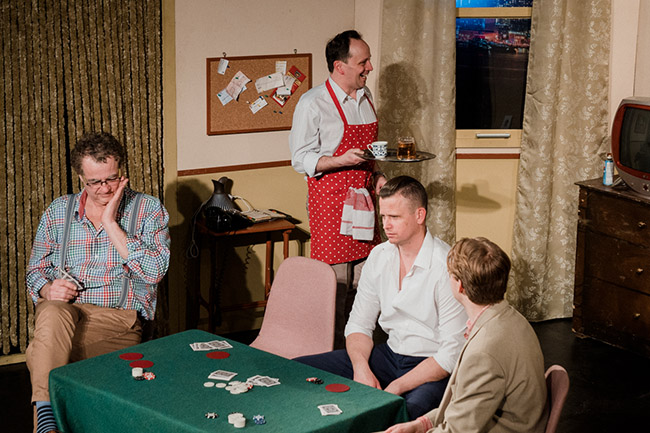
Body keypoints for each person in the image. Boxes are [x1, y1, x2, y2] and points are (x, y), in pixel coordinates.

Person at [25, 132, 171, 433]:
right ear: (81, 178)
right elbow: (35, 270)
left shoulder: (148, 209)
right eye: (95, 182)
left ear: (122, 173)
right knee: (50, 309)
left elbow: (155, 272)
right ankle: (50, 421)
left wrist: (110, 223)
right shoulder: (58, 211)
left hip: (119, 320)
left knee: (39, 354)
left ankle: (44, 416)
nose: (105, 188)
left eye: (112, 179)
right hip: (65, 314)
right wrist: (47, 288)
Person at [295, 176, 467, 419]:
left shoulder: (445, 265)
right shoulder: (379, 256)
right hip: (388, 355)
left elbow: (450, 354)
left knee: (404, 414)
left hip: (430, 365)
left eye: (394, 217)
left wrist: (396, 386)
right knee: (295, 369)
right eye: (383, 216)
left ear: (420, 215)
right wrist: (361, 368)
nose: (386, 225)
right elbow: (358, 324)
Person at [384, 237, 549, 433]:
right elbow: (465, 408)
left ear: (460, 285)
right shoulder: (513, 319)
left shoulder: (483, 353)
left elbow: (458, 430)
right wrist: (421, 424)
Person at [289, 30, 387, 348]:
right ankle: (330, 358)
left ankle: (363, 354)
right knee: (335, 289)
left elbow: (369, 153)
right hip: (331, 205)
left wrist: (378, 176)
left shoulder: (366, 97)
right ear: (339, 66)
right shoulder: (312, 103)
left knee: (367, 285)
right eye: (363, 62)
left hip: (365, 202)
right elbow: (300, 159)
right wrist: (340, 160)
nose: (369, 67)